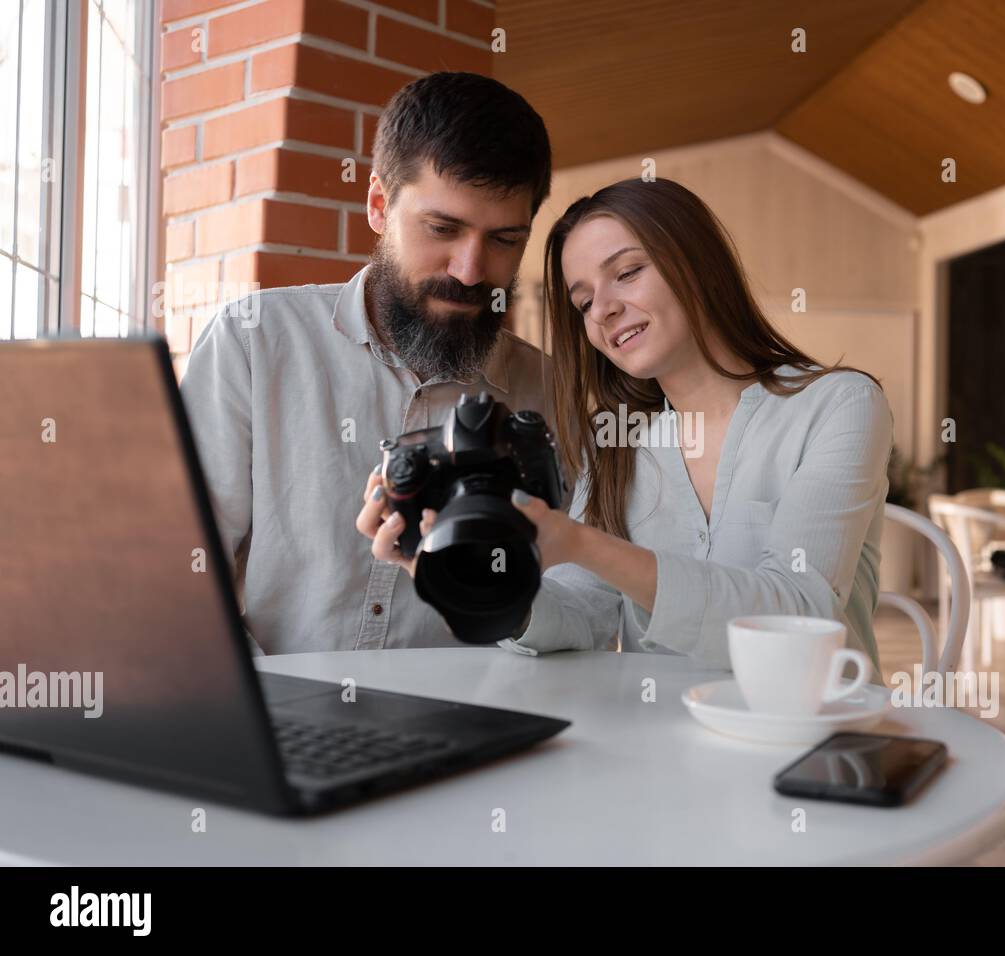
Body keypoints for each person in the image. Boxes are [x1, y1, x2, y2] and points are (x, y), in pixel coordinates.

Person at [357, 178, 894, 671]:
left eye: (628, 273)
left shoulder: (838, 405)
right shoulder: (616, 442)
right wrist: (454, 569)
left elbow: (799, 613)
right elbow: (582, 616)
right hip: (660, 748)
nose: (603, 311)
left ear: (698, 263)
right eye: (584, 301)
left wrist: (582, 543)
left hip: (815, 746)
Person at [181, 72, 554, 655]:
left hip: (478, 727)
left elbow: (573, 605)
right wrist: (259, 707)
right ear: (379, 204)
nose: (470, 270)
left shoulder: (547, 389)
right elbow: (183, 569)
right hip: (278, 719)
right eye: (442, 228)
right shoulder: (253, 343)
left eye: (505, 239)